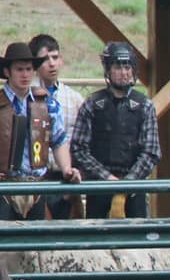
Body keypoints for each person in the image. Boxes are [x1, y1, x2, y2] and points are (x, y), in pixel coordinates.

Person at [71, 42, 160, 220]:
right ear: (108, 70)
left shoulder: (145, 106)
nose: (124, 72)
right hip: (98, 187)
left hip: (135, 189)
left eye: (127, 67)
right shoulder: (92, 104)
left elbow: (151, 152)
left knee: (137, 244)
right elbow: (79, 148)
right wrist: (107, 178)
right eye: (118, 66)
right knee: (97, 244)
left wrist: (127, 184)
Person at [0, 41, 80, 222]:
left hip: (37, 187)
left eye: (29, 69)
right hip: (3, 188)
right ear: (7, 72)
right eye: (20, 69)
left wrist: (67, 168)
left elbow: (58, 140)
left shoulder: (47, 103)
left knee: (36, 245)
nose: (25, 74)